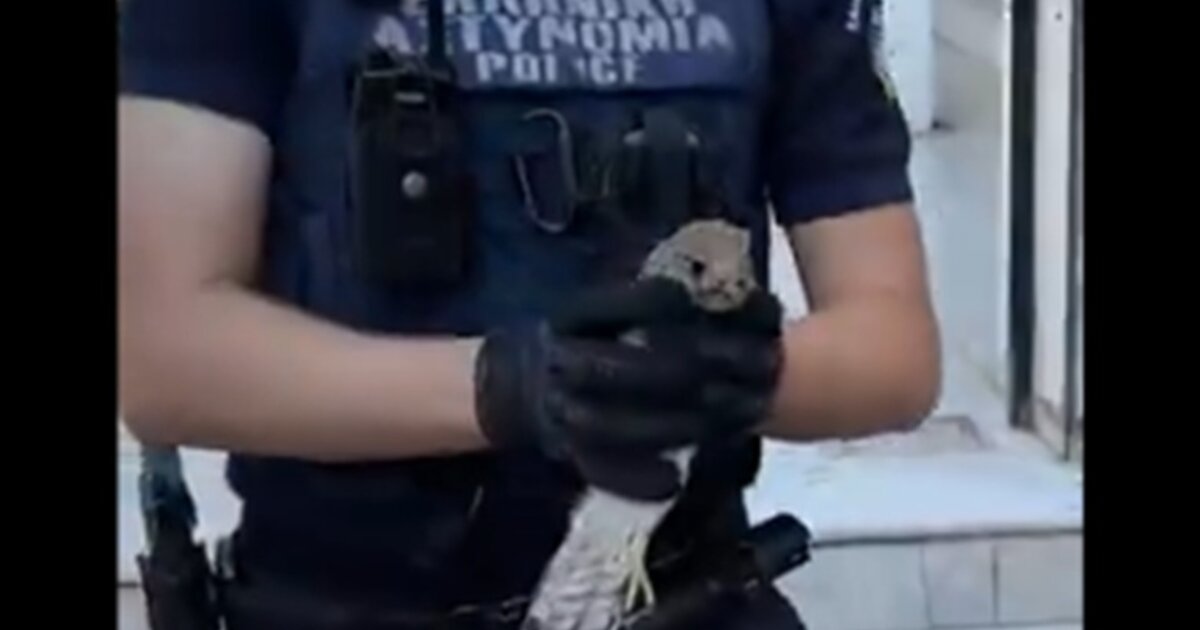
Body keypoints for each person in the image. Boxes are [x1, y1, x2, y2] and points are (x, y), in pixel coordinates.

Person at [118, 0, 941, 628]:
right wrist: (512, 385)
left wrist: (726, 377)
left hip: (683, 590)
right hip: (336, 598)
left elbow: (895, 352)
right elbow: (163, 357)